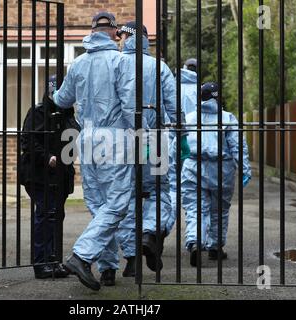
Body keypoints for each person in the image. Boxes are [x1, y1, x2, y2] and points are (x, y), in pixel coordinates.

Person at [53, 12, 135, 290]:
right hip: (114, 138)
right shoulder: (120, 61)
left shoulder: (77, 63)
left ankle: (108, 267)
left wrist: (52, 91)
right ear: (113, 32)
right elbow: (129, 104)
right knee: (118, 203)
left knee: (100, 205)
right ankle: (82, 255)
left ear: (91, 31)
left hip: (86, 138)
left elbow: (62, 99)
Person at [115, 21, 181, 276]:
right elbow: (173, 106)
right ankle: (151, 233)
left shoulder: (116, 64)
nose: (119, 41)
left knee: (126, 197)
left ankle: (132, 259)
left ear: (126, 38)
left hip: (119, 142)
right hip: (152, 139)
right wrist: (181, 133)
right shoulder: (158, 67)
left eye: (121, 37)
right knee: (158, 191)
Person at [181, 82, 251, 266]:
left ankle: (196, 241)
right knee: (219, 209)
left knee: (196, 208)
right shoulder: (227, 118)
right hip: (222, 169)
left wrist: (175, 169)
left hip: (193, 166)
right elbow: (237, 146)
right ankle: (215, 247)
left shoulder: (188, 118)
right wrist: (244, 168)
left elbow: (177, 148)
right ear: (217, 97)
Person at [20, 76, 78, 279]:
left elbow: (74, 139)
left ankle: (54, 261)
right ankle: (41, 263)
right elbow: (27, 141)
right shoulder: (37, 113)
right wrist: (48, 157)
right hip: (39, 175)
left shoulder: (67, 114)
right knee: (45, 215)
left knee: (56, 216)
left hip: (61, 175)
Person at [166, 58, 198, 236]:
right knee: (194, 194)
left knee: (172, 188)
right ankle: (194, 237)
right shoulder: (200, 91)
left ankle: (160, 230)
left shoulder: (172, 88)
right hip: (193, 146)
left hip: (172, 141)